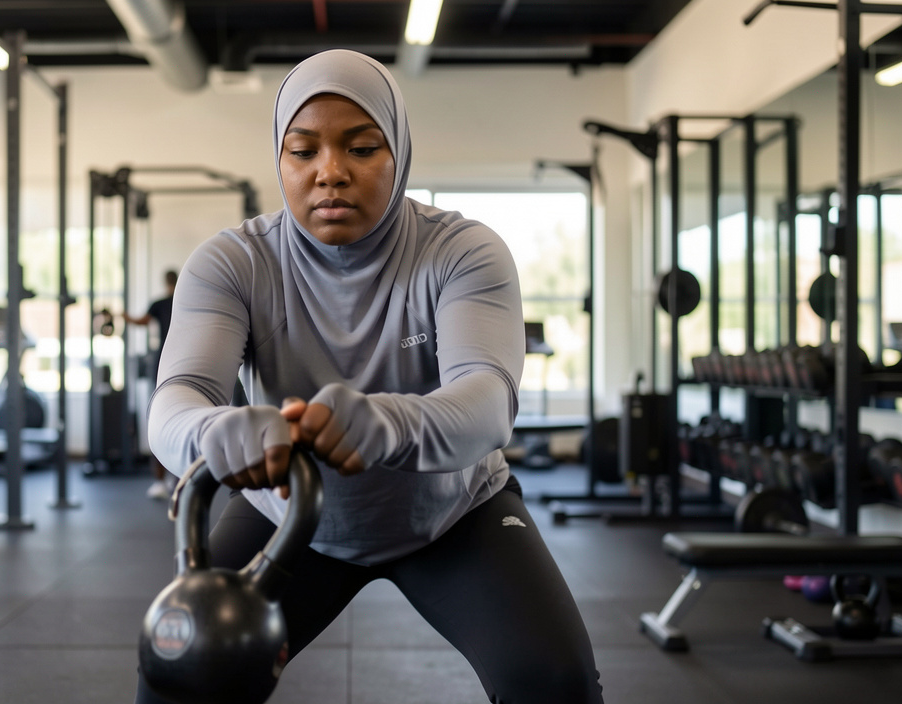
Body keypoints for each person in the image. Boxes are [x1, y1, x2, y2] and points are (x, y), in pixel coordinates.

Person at [141, 50, 603, 703]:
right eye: (303, 152)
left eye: (361, 148)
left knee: (554, 684)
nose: (331, 172)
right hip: (289, 518)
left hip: (451, 514)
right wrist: (215, 433)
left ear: (399, 151)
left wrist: (386, 421)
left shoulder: (461, 251)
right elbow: (175, 401)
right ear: (279, 160)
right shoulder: (233, 263)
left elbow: (488, 401)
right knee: (181, 672)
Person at [122, 269, 180, 499]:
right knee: (178, 419)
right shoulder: (186, 298)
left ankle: (161, 481)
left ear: (165, 282)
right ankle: (177, 479)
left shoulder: (159, 303)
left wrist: (123, 316)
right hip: (181, 360)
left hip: (164, 363)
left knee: (159, 419)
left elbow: (140, 322)